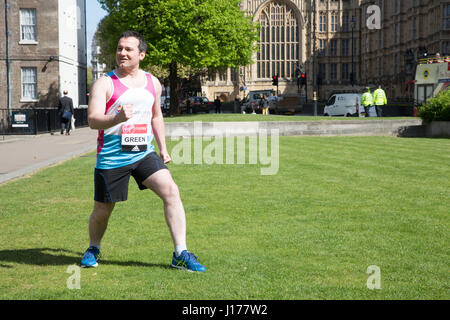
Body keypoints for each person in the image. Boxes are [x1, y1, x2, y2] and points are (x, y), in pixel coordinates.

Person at [81, 30, 206, 272]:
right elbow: (93, 120)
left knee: (171, 191)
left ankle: (180, 252)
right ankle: (93, 247)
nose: (122, 53)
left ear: (142, 54)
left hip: (143, 153)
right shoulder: (105, 83)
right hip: (112, 157)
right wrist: (116, 117)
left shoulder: (152, 82)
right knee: (103, 209)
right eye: (119, 48)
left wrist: (163, 148)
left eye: (128, 49)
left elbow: (156, 116)